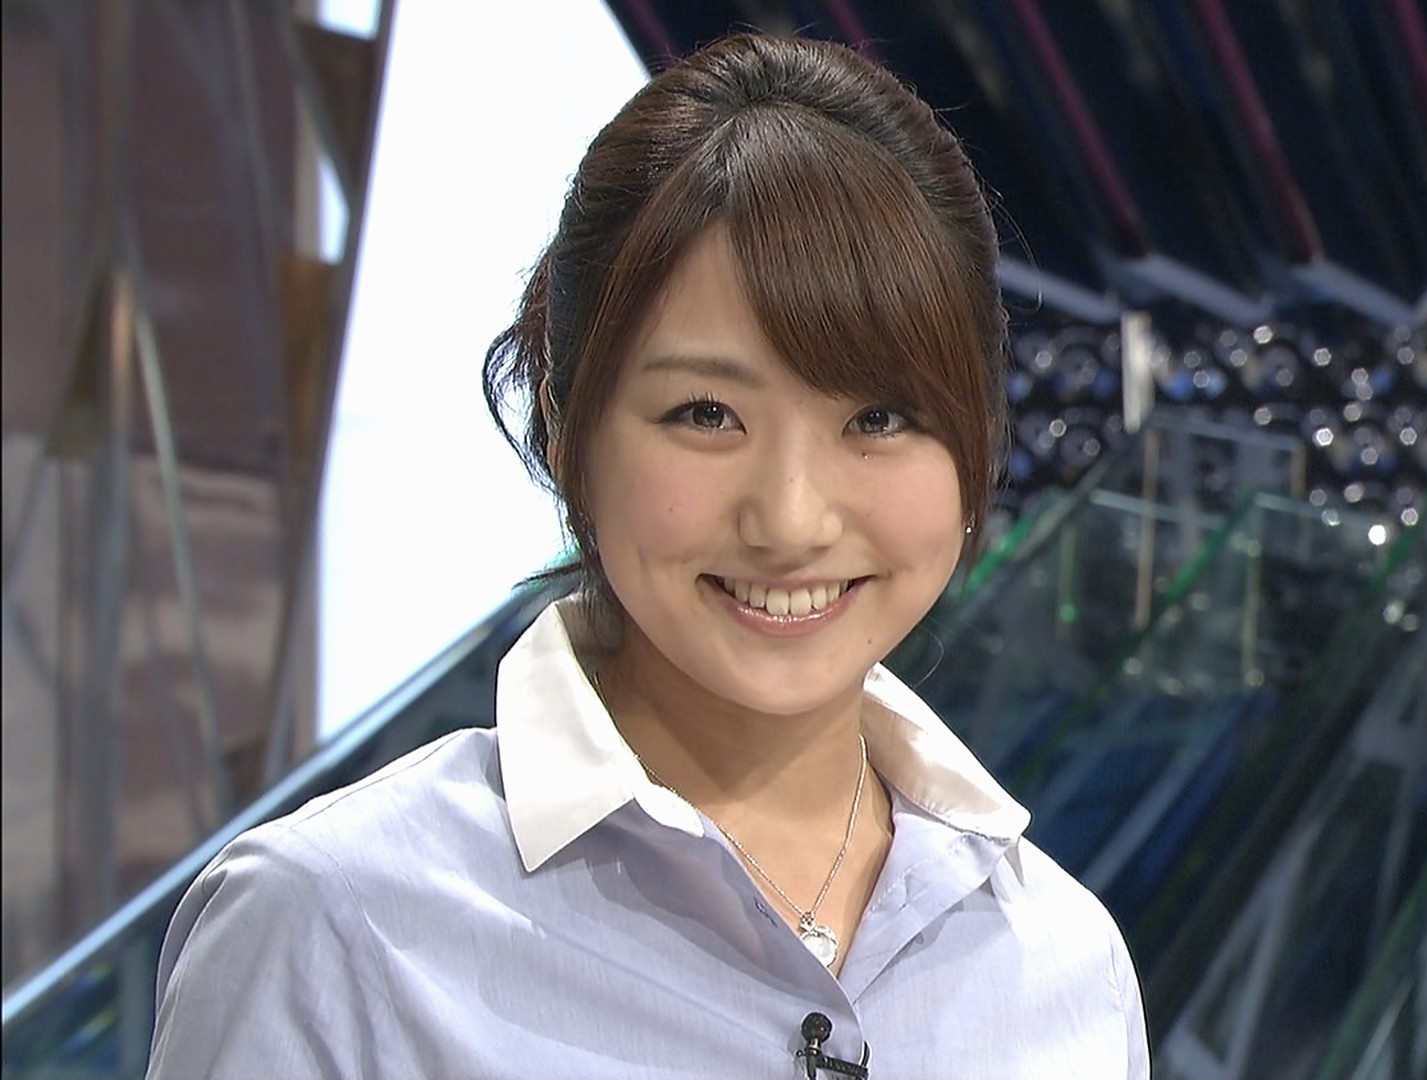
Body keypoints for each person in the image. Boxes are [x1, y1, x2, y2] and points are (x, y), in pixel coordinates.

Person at [146, 31, 1150, 1079]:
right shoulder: (334, 929)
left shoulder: (1061, 965)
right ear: (566, 424)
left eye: (879, 417)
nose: (790, 520)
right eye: (706, 413)